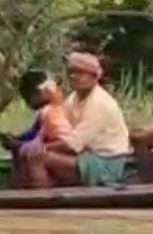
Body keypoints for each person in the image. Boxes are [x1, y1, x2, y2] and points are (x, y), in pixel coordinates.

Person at [23, 52, 131, 188]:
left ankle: (43, 203)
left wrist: (43, 147)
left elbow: (73, 145)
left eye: (80, 73)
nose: (74, 76)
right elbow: (60, 128)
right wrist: (38, 139)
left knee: (38, 158)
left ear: (94, 76)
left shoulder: (100, 103)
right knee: (28, 151)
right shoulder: (73, 98)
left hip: (105, 162)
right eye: (71, 72)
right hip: (86, 156)